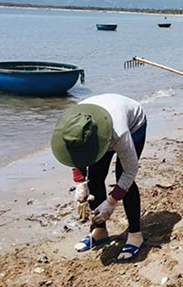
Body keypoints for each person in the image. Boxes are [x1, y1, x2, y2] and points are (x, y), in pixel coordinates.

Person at [50, 94, 147, 261]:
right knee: (95, 176)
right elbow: (75, 153)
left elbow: (130, 171)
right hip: (97, 128)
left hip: (134, 125)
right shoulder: (72, 126)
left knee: (122, 179)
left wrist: (111, 202)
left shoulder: (120, 133)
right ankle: (99, 231)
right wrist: (80, 183)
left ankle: (135, 234)